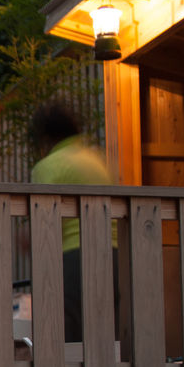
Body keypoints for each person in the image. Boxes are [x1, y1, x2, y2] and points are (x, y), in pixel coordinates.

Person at [29, 102, 114, 343]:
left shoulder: (49, 166)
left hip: (74, 253)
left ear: (45, 136)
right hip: (112, 252)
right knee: (105, 329)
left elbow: (43, 220)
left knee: (71, 330)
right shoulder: (96, 160)